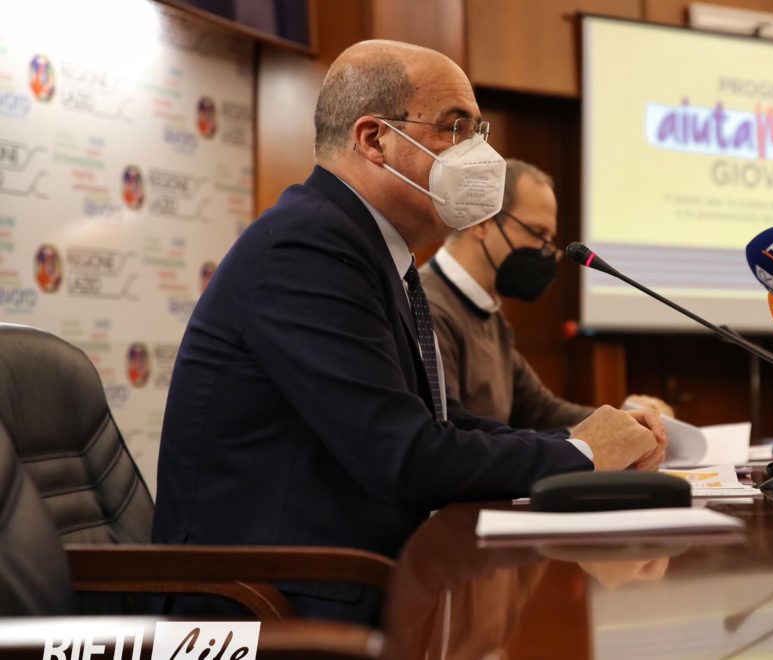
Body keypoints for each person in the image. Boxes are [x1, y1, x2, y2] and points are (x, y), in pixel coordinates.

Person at [151, 40, 665, 623]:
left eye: (478, 131)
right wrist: (582, 452)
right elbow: (407, 457)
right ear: (374, 140)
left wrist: (583, 438)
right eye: (454, 128)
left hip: (338, 579)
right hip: (263, 607)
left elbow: (441, 423)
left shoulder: (368, 249)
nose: (477, 153)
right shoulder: (307, 247)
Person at [420, 158, 673, 430]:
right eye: (538, 232)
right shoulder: (428, 309)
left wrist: (624, 421)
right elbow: (455, 436)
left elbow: (540, 410)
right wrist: (585, 441)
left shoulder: (486, 311)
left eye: (550, 238)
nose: (547, 251)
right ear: (481, 222)